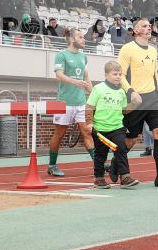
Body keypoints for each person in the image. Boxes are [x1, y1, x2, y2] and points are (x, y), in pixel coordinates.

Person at [116, 18, 158, 188]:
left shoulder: (154, 51)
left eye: (149, 26)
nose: (149, 28)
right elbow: (120, 74)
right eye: (144, 26)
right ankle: (116, 163)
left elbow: (155, 73)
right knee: (131, 139)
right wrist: (131, 92)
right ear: (136, 30)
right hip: (136, 100)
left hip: (153, 98)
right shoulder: (127, 49)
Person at [88, 61, 140, 189]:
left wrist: (134, 104)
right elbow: (89, 107)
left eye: (120, 74)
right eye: (114, 74)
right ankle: (99, 179)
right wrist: (89, 123)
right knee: (100, 154)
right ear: (106, 75)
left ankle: (125, 178)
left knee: (121, 150)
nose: (118, 77)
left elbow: (124, 110)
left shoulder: (122, 92)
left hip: (117, 128)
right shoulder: (98, 88)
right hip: (100, 129)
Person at [50, 28, 94, 177]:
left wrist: (93, 95)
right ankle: (52, 165)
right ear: (71, 39)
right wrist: (75, 82)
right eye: (80, 37)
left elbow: (86, 77)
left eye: (83, 37)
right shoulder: (61, 55)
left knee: (87, 132)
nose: (83, 39)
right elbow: (59, 75)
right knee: (59, 134)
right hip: (64, 103)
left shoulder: (84, 56)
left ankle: (98, 164)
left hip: (81, 102)